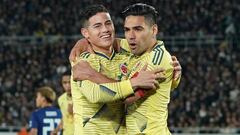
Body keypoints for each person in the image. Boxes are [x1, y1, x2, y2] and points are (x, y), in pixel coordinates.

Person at [71, 3, 181, 135]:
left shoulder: (141, 55)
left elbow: (127, 98)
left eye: (108, 23)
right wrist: (82, 42)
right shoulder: (82, 61)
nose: (131, 36)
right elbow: (95, 94)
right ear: (86, 33)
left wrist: (92, 74)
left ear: (154, 30)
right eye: (97, 26)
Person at [51, 71, 74, 135]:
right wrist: (56, 130)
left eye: (70, 82)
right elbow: (64, 118)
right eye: (65, 83)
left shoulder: (81, 97)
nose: (68, 85)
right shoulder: (61, 99)